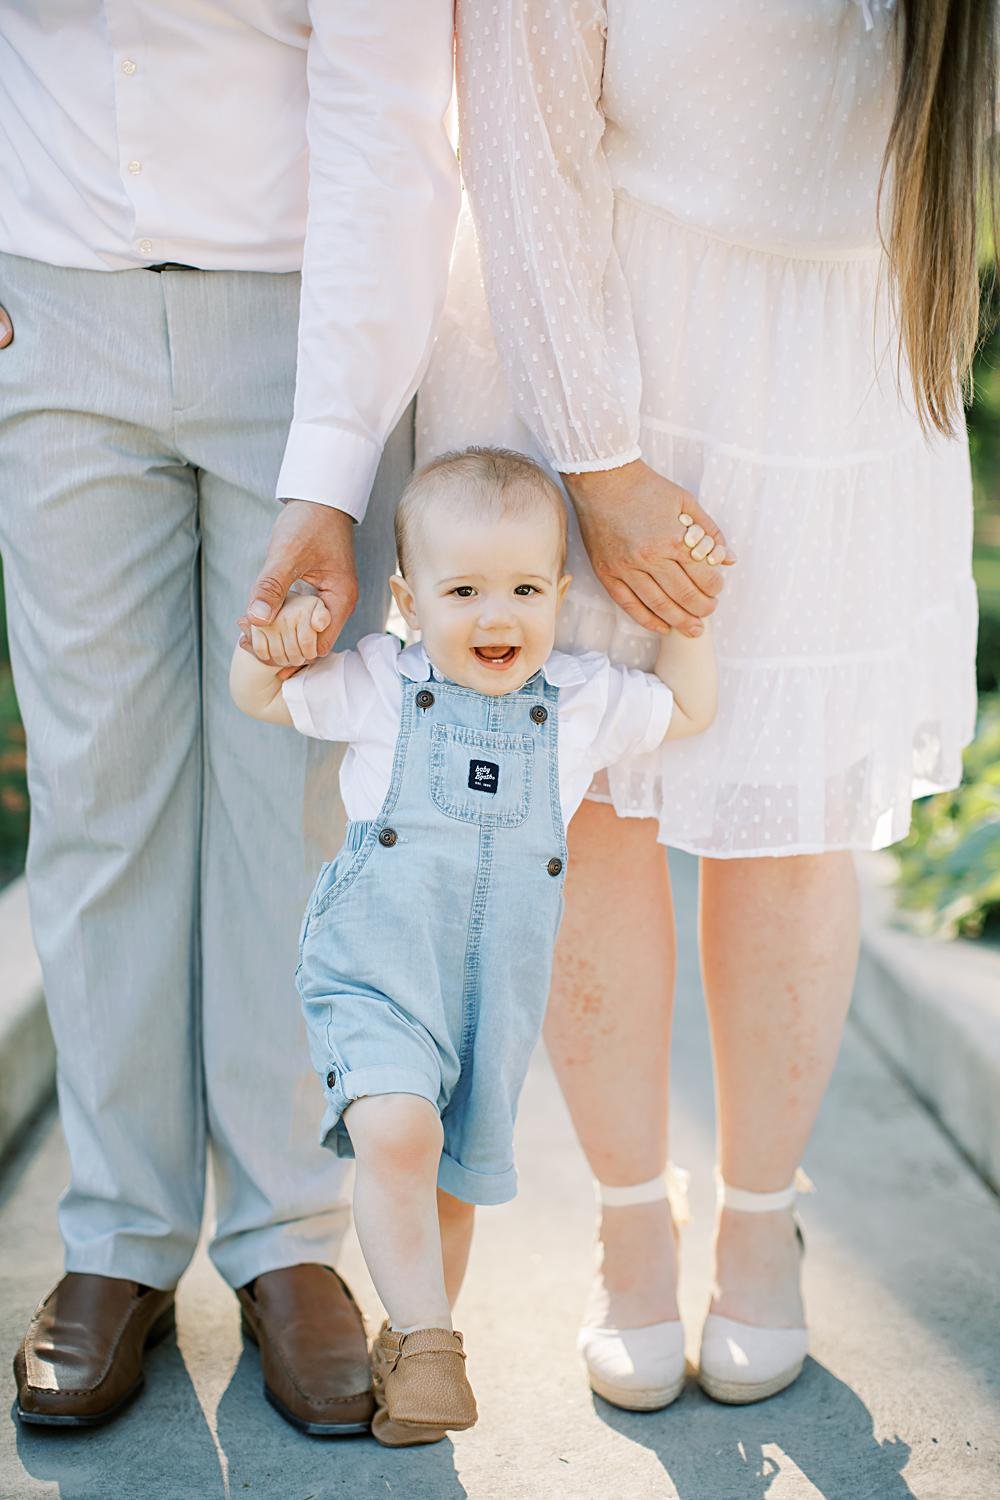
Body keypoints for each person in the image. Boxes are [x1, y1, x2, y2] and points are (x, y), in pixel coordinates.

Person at [418, 0, 986, 1407]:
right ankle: (628, 1224)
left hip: (841, 361)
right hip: (602, 329)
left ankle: (759, 1219)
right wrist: (598, 462)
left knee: (793, 814)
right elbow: (520, 139)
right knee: (596, 802)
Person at [1, 1, 458, 1431]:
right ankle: (119, 1240)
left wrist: (330, 473)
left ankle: (287, 1240)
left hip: (309, 324)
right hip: (49, 302)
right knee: (98, 793)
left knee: (299, 801)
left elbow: (393, 118)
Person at [230, 446, 718, 1442]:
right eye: (464, 591)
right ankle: (432, 1343)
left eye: (524, 589)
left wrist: (687, 619)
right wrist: (271, 639)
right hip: (374, 968)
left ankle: (414, 1348)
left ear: (560, 592)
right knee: (399, 1132)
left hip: (493, 993)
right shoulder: (378, 684)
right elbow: (262, 699)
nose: (496, 617)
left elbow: (687, 710)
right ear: (409, 598)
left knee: (449, 1182)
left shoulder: (578, 703)